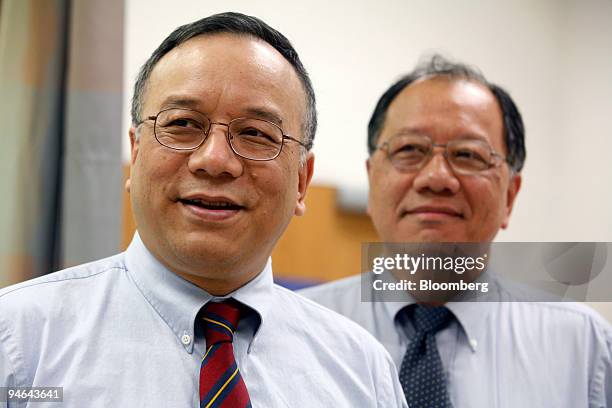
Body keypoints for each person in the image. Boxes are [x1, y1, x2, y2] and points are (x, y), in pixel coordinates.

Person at [0, 13, 407, 407]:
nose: (214, 160)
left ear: (302, 181)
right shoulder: (18, 342)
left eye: (255, 134)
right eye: (182, 124)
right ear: (136, 151)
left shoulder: (363, 373)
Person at [301, 55, 612, 407]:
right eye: (409, 150)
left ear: (509, 195)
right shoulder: (293, 333)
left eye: (467, 155)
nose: (436, 178)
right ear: (373, 180)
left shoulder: (584, 348)